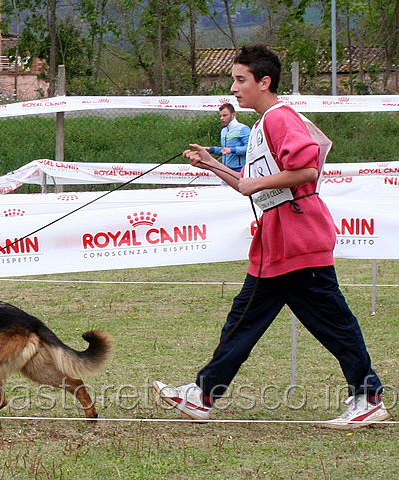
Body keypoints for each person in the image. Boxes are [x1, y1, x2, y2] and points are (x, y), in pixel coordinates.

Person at [153, 44, 389, 430]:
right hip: (275, 244)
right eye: (234, 79)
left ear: (265, 82)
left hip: (299, 238)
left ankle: (367, 397)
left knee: (334, 323)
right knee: (242, 321)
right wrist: (213, 165)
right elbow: (253, 187)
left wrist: (254, 182)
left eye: (240, 79)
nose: (233, 87)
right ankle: (203, 395)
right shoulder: (264, 125)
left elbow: (307, 169)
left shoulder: (280, 119)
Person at [206, 103, 250, 172]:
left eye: (225, 115)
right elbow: (224, 150)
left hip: (240, 169)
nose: (222, 118)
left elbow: (249, 149)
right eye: (220, 116)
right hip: (225, 169)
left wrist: (232, 150)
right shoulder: (223, 131)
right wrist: (211, 150)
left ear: (233, 115)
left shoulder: (243, 129)